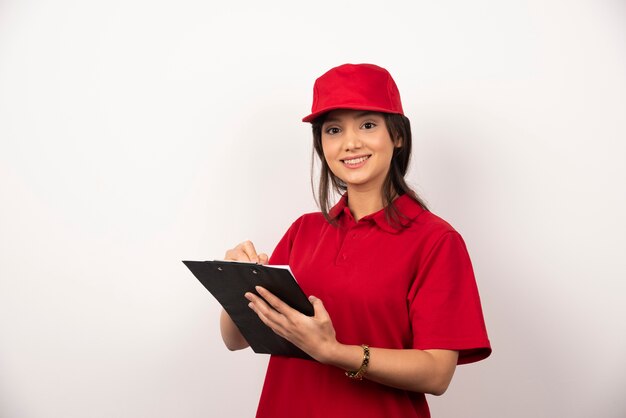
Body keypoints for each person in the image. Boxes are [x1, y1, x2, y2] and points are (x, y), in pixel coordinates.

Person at [219, 63, 491, 418]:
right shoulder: (304, 231)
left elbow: (438, 372)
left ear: (398, 135)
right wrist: (234, 282)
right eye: (333, 130)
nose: (350, 143)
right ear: (322, 144)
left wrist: (334, 351)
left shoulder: (436, 241)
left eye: (367, 125)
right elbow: (235, 339)